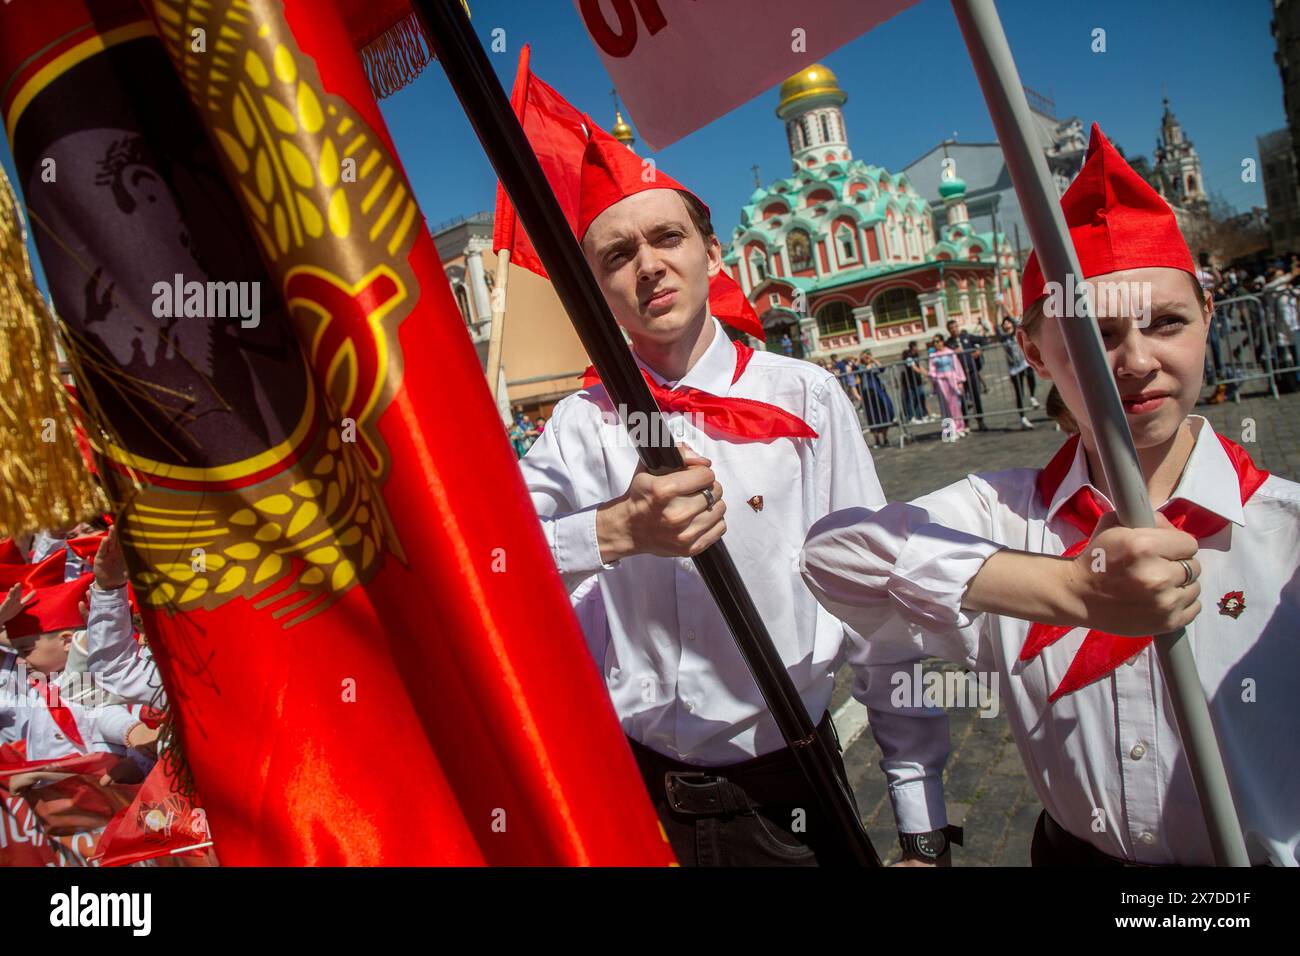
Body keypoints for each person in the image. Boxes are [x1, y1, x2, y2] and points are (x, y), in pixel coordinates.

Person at [800, 125, 1300, 867]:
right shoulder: (1003, 516)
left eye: (1167, 322)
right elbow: (834, 550)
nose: (1136, 361)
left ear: (1208, 322)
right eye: (1094, 336)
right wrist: (1065, 587)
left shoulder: (1285, 530)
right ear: (1033, 350)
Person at [519, 121, 953, 866]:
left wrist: (922, 823)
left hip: (789, 792)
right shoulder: (576, 427)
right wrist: (612, 532)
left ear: (713, 253)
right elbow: (492, 559)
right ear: (596, 288)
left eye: (667, 238)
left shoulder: (808, 399)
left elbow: (883, 608)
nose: (649, 266)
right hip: (635, 794)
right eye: (618, 255)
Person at [945, 318, 986, 430]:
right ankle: (966, 422)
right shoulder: (948, 344)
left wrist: (979, 350)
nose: (954, 330)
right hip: (959, 376)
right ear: (949, 330)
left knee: (976, 396)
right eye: (951, 328)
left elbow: (983, 340)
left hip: (971, 371)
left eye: (955, 327)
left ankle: (980, 420)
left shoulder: (966, 337)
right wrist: (954, 352)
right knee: (962, 399)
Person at [997, 316, 1035, 429]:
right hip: (1014, 368)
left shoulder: (1017, 332)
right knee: (1019, 393)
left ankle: (1032, 397)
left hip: (1024, 363)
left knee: (1031, 378)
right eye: (1004, 323)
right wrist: (998, 309)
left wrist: (1006, 313)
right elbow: (996, 328)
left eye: (1008, 322)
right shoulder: (1003, 338)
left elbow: (1017, 322)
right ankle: (1023, 418)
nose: (1007, 324)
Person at [927, 334, 967, 439]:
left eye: (938, 341)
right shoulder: (933, 356)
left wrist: (960, 381)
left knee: (955, 404)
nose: (936, 344)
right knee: (945, 406)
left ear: (942, 341)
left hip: (952, 379)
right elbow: (932, 369)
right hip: (940, 380)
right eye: (934, 342)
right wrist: (934, 378)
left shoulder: (950, 352)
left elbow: (956, 366)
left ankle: (959, 428)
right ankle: (949, 430)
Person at [857, 351, 895, 447]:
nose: (866, 357)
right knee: (872, 417)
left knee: (885, 413)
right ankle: (877, 439)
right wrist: (860, 359)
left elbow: (882, 368)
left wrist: (872, 359)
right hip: (868, 395)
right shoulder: (861, 367)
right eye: (865, 356)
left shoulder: (874, 364)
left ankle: (885, 437)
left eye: (868, 355)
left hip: (880, 393)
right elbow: (856, 369)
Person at [899, 340, 931, 424]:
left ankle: (921, 415)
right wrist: (924, 373)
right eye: (916, 346)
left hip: (917, 380)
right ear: (913, 347)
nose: (918, 348)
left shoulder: (915, 355)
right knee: (910, 399)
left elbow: (919, 365)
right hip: (910, 382)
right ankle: (910, 417)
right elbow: (914, 368)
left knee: (920, 397)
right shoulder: (908, 356)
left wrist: (927, 373)